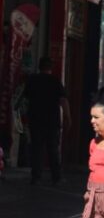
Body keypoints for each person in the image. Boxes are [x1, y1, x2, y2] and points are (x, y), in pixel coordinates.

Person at [21, 57, 71, 186]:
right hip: (52, 121)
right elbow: (63, 100)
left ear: (39, 67)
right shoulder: (55, 81)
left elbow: (25, 99)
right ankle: (56, 177)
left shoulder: (32, 80)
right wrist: (67, 117)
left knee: (36, 148)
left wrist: (24, 116)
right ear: (50, 68)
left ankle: (36, 177)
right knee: (53, 149)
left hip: (35, 119)